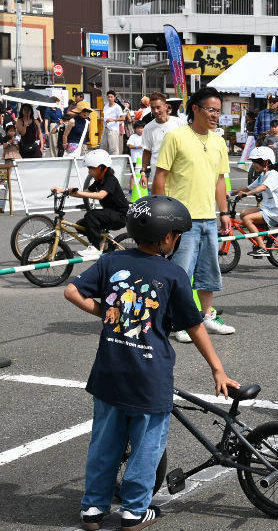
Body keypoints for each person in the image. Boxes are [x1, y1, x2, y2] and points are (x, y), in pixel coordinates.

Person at [65, 195, 238, 531]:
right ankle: (133, 512)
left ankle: (93, 511)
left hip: (108, 374)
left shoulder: (111, 261)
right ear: (168, 237)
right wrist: (217, 367)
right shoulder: (172, 274)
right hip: (149, 377)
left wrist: (107, 313)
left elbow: (72, 291)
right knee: (146, 447)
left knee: (104, 444)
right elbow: (194, 324)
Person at [152, 87, 236, 340]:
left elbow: (220, 181)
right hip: (179, 219)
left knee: (208, 271)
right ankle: (179, 322)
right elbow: (161, 176)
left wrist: (224, 213)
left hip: (208, 217)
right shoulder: (176, 137)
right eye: (211, 110)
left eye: (218, 111)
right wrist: (160, 214)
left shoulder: (218, 141)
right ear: (195, 109)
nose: (215, 115)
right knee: (181, 274)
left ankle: (207, 315)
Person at [50, 149, 129, 258]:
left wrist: (79, 193)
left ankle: (96, 248)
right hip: (109, 213)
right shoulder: (98, 181)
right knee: (80, 225)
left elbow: (101, 195)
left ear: (100, 167)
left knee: (91, 215)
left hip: (119, 215)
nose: (89, 171)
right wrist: (64, 191)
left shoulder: (111, 180)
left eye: (90, 168)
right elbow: (85, 192)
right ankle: (103, 241)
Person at [233, 146, 278, 258]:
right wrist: (229, 192)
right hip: (267, 208)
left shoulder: (273, 174)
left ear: (266, 162)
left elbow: (262, 188)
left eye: (256, 162)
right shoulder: (262, 176)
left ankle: (262, 247)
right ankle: (261, 235)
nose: (254, 164)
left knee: (248, 219)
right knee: (243, 213)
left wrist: (247, 194)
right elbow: (247, 188)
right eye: (253, 162)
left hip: (275, 211)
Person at [139, 93, 186, 193]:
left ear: (166, 106)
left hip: (178, 171)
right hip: (158, 173)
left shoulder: (179, 123)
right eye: (153, 108)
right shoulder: (148, 128)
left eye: (158, 107)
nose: (156, 111)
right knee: (160, 204)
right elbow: (147, 151)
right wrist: (143, 173)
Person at [101, 91, 127, 156]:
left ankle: (114, 163)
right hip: (105, 128)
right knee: (103, 148)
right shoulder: (106, 106)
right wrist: (103, 119)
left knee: (113, 148)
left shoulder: (117, 107)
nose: (110, 98)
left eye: (111, 97)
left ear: (114, 98)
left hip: (113, 129)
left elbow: (123, 118)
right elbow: (105, 117)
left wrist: (113, 120)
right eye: (108, 97)